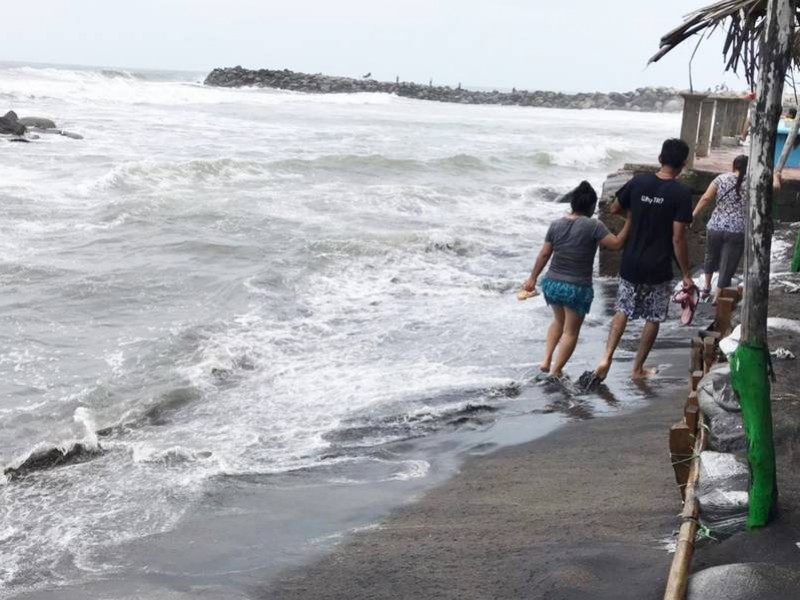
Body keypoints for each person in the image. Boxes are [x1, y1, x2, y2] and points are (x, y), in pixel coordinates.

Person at [583, 139, 694, 385]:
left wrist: (633, 218)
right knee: (652, 317)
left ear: (659, 158)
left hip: (631, 261)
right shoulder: (681, 194)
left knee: (623, 309)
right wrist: (686, 273)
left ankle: (606, 357)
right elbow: (678, 238)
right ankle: (638, 369)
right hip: (659, 265)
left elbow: (614, 208)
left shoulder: (639, 181)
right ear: (683, 164)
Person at [522, 181, 631, 381]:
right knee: (571, 331)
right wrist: (630, 222)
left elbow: (545, 254)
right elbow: (616, 244)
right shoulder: (594, 225)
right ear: (591, 206)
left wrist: (532, 279)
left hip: (552, 284)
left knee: (558, 320)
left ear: (572, 203)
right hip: (576, 287)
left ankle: (546, 360)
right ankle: (555, 371)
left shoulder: (556, 224)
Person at [693, 156, 783, 302]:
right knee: (728, 263)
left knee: (710, 257)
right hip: (737, 230)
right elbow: (776, 189)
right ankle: (718, 296)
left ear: (733, 166)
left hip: (715, 226)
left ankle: (706, 287)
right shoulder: (754, 182)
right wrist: (776, 176)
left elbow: (706, 198)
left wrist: (694, 214)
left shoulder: (720, 179)